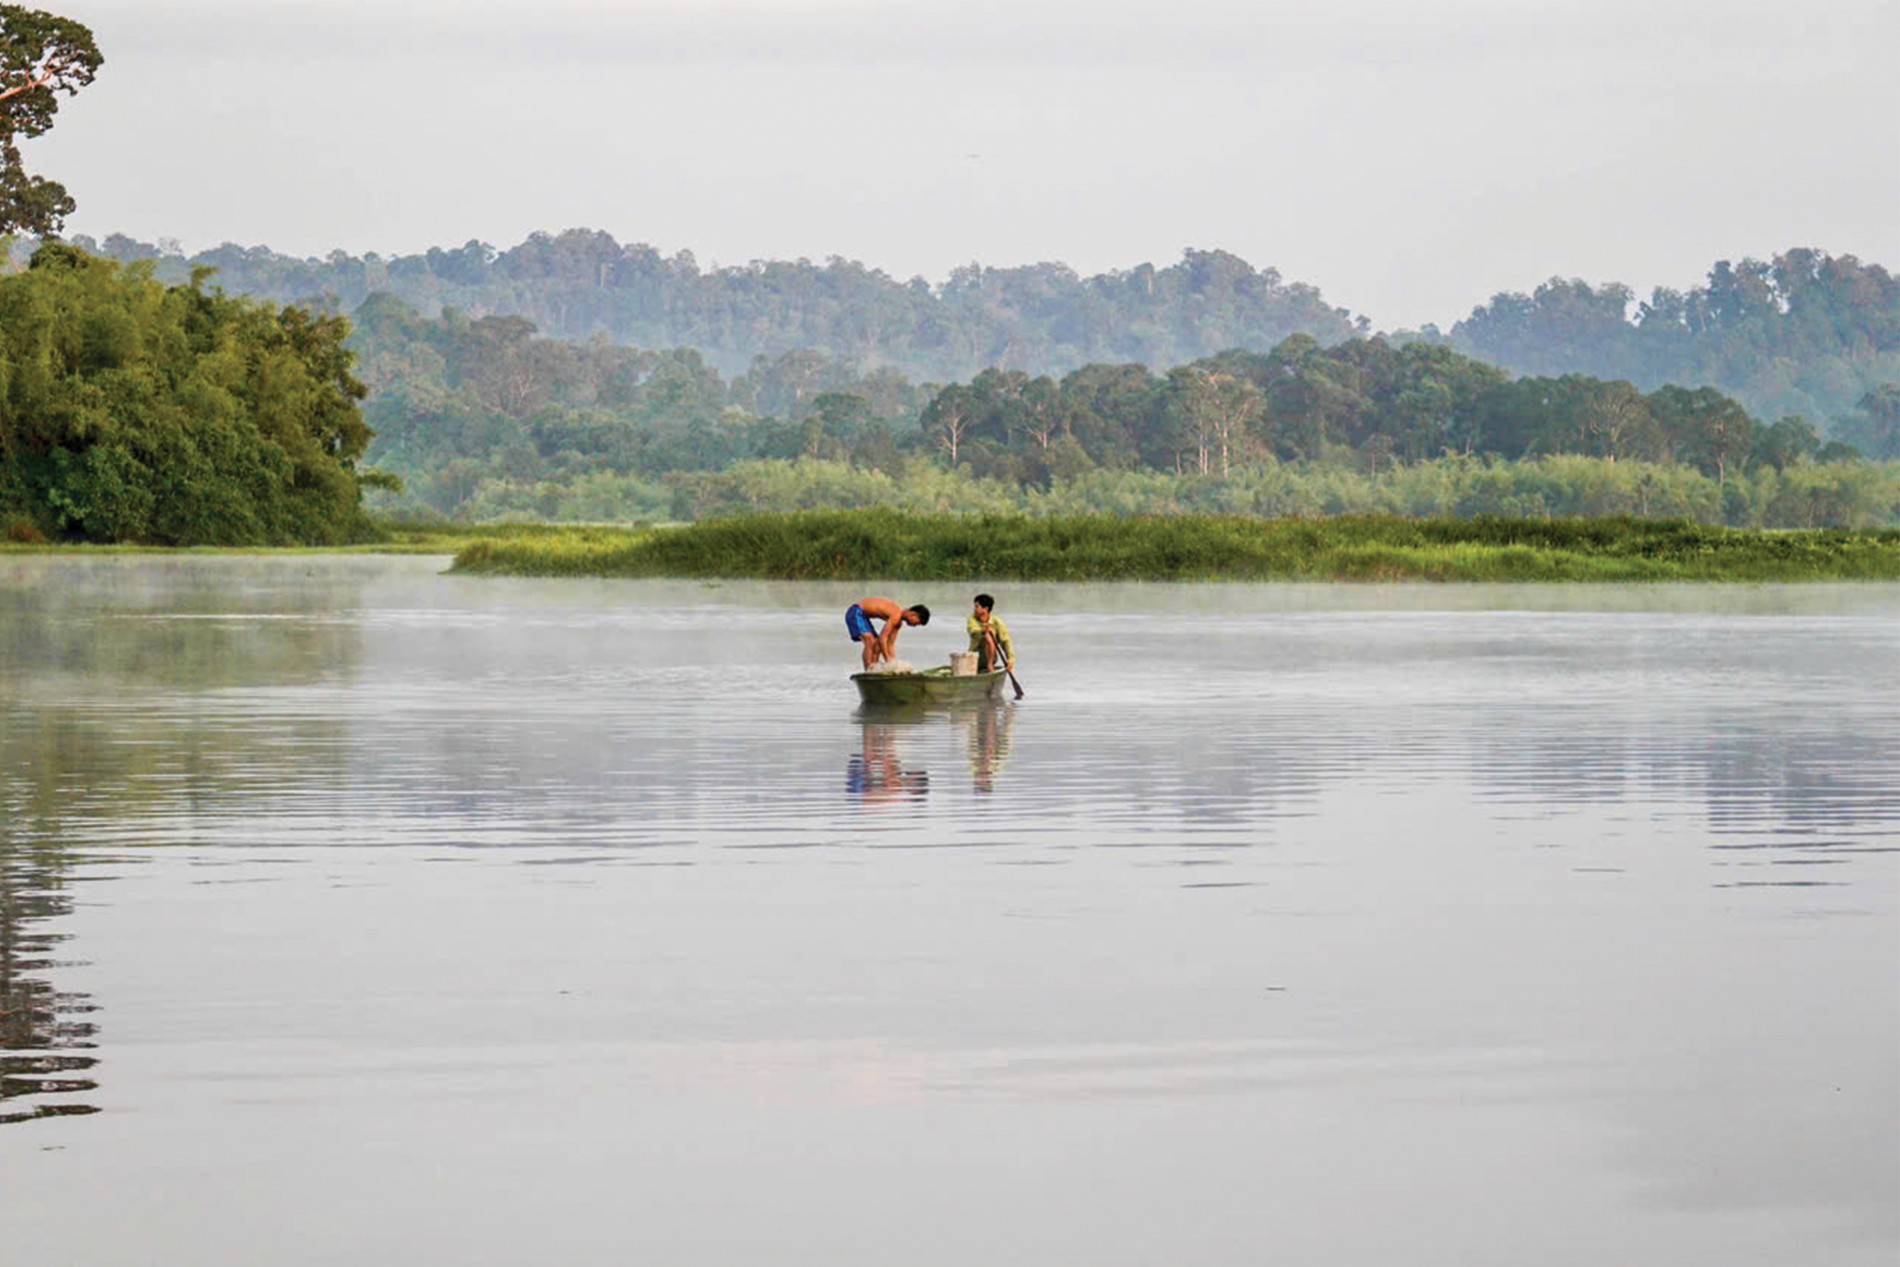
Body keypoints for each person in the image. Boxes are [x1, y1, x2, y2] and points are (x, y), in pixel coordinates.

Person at [845, 596, 930, 671]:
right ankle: (868, 671)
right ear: (913, 615)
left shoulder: (898, 623)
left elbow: (890, 645)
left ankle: (874, 668)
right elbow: (883, 638)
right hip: (856, 611)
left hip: (863, 616)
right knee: (870, 641)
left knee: (877, 645)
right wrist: (888, 660)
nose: (914, 626)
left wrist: (894, 663)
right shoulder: (896, 614)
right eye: (916, 623)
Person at [966, 593, 1014, 673]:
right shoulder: (972, 619)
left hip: (991, 657)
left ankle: (990, 665)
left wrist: (1010, 660)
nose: (974, 609)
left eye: (977, 606)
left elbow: (1006, 641)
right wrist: (982, 631)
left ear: (985, 609)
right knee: (986, 635)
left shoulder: (997, 622)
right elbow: (973, 631)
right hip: (974, 657)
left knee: (988, 635)